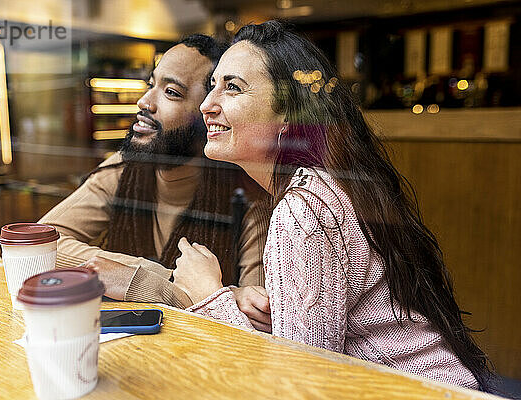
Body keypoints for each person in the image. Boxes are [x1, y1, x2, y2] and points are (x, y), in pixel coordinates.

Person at [172, 22, 492, 390]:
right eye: (213, 86)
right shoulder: (324, 183)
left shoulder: (302, 210)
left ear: (288, 114)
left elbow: (300, 380)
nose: (207, 104)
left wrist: (208, 295)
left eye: (232, 88)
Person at [39, 34, 273, 332]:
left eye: (171, 92)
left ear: (209, 114)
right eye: (151, 84)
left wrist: (138, 283)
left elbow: (257, 322)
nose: (145, 101)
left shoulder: (248, 198)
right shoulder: (122, 170)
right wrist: (164, 279)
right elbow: (42, 244)